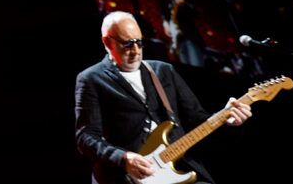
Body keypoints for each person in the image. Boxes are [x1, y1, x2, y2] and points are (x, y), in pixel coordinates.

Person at [74, 11, 251, 184]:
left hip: (179, 168)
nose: (136, 51)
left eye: (139, 42)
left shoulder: (163, 71)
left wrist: (227, 120)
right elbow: (86, 137)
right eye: (127, 44)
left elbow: (198, 121)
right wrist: (123, 158)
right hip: (128, 177)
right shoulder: (91, 79)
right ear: (107, 42)